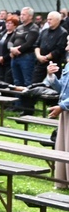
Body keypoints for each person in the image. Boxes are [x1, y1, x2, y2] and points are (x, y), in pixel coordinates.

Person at [45, 50, 69, 189]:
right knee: (64, 146)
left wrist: (62, 106)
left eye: (68, 43)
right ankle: (64, 180)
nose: (66, 48)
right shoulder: (67, 65)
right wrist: (51, 75)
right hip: (65, 111)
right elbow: (61, 89)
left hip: (65, 108)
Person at [0, 14, 18, 83]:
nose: (7, 24)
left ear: (15, 25)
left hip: (8, 62)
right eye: (7, 23)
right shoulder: (2, 34)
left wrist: (3, 58)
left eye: (10, 23)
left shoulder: (14, 35)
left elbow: (10, 50)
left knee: (7, 80)